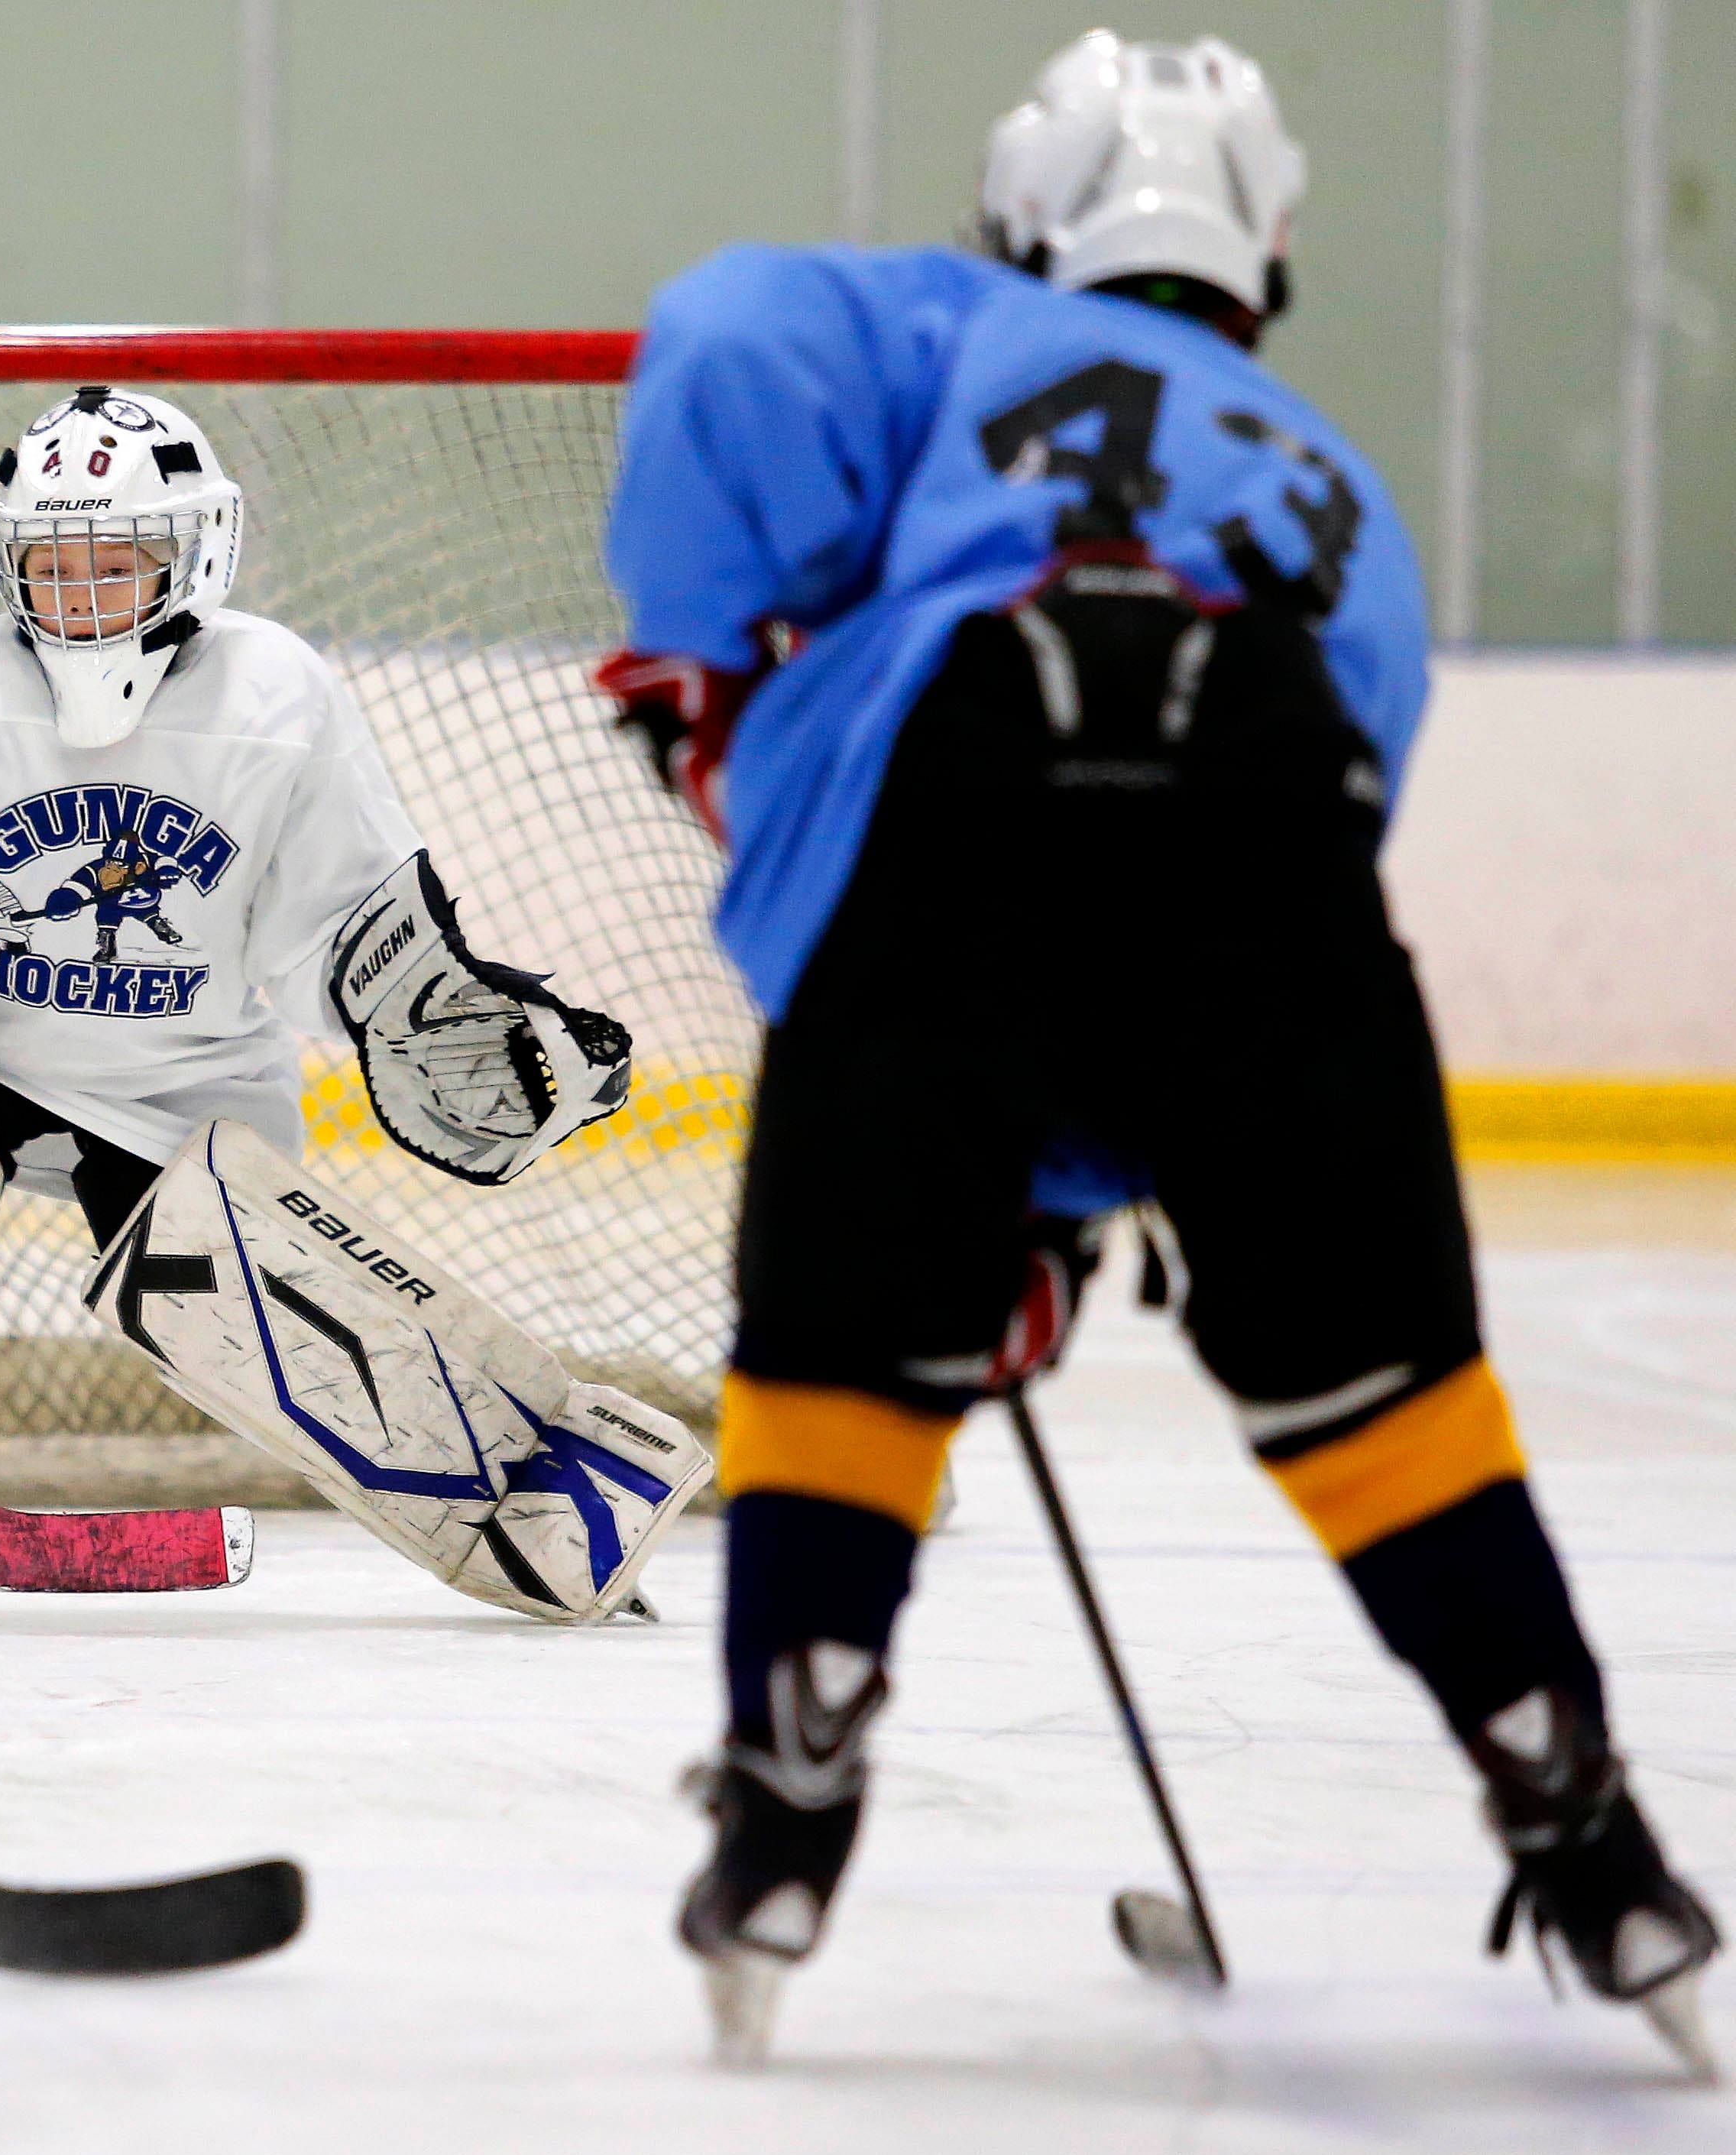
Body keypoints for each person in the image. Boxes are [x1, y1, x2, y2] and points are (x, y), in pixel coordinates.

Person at [598, 30, 1718, 2072]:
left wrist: (698, 651)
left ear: (1022, 213)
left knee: (841, 1355)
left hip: (959, 769)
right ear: (1260, 254)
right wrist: (1072, 1180)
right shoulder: (1339, 499)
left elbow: (722, 329)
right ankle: (1579, 1815)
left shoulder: (948, 321)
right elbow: (1270, 891)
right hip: (1264, 796)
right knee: (1376, 1381)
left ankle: (781, 1799)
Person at [0, 387, 712, 1628]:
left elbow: (344, 920)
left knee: (246, 1291)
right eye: (50, 566)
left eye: (115, 564)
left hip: (188, 1091)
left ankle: (537, 1494)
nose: (79, 596)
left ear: (198, 552)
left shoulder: (276, 693)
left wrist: (434, 1023)